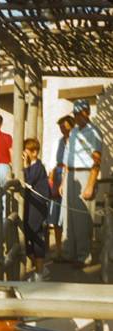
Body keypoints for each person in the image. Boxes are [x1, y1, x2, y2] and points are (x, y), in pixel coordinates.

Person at [62, 99, 103, 267]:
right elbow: (67, 158)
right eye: (76, 114)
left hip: (85, 175)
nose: (79, 117)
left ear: (88, 112)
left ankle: (83, 256)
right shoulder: (73, 132)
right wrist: (64, 180)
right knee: (68, 217)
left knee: (82, 218)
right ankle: (69, 253)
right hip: (71, 175)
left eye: (81, 113)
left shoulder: (94, 132)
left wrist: (91, 185)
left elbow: (97, 161)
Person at [23, 138, 50, 281]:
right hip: (30, 206)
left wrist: (26, 165)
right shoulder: (32, 166)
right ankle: (40, 268)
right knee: (28, 235)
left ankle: (39, 272)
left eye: (26, 150)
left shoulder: (38, 167)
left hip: (37, 207)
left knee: (36, 235)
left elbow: (29, 181)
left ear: (34, 152)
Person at [48, 115, 73, 261]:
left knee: (68, 213)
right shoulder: (58, 142)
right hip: (58, 176)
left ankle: (70, 249)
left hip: (71, 176)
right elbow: (53, 163)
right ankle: (58, 249)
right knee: (56, 213)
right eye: (61, 128)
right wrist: (51, 180)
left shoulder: (76, 142)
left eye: (65, 128)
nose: (63, 131)